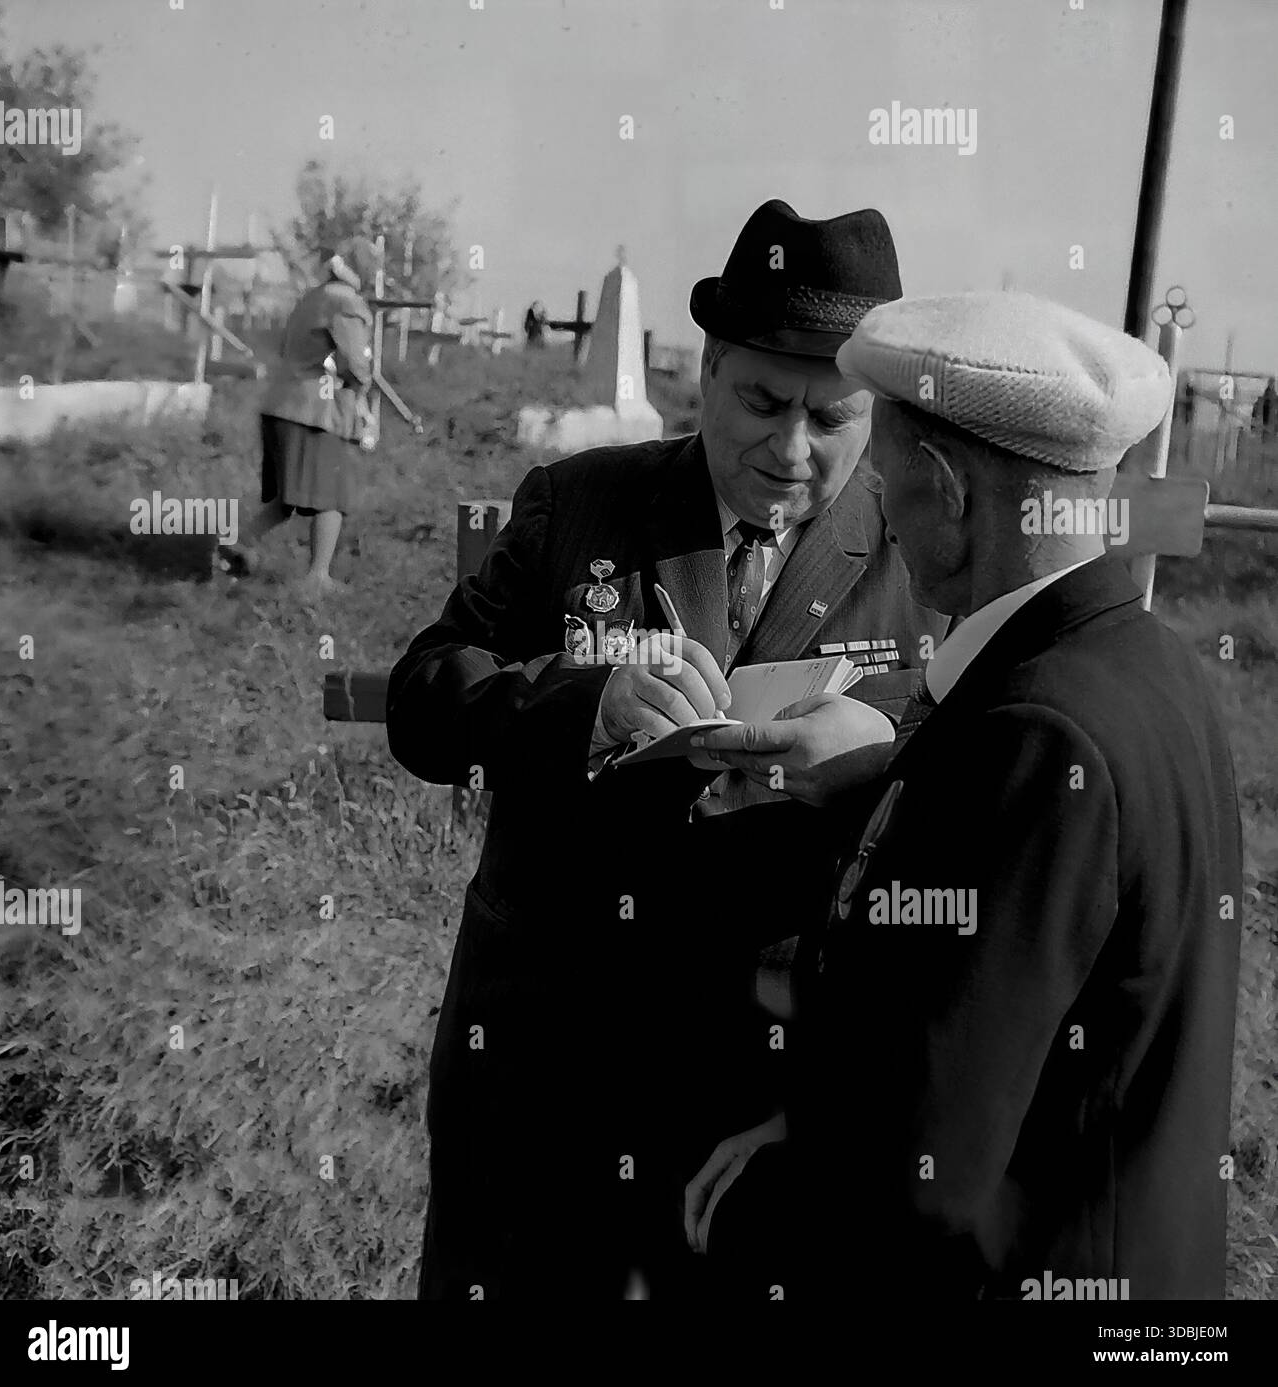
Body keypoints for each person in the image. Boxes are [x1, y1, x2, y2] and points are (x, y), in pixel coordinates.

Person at [387, 199, 948, 1300]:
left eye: (829, 421)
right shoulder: (582, 503)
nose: (789, 451)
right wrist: (573, 705)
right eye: (759, 402)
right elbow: (423, 698)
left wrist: (881, 748)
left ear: (874, 416)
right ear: (707, 367)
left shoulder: (919, 555)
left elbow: (983, 771)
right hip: (543, 1066)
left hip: (753, 1092)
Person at [686, 291, 1244, 1301]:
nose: (884, 520)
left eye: (890, 483)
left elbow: (923, 1169)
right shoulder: (1143, 664)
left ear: (945, 489)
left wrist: (752, 1198)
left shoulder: (1031, 735)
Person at [224, 236, 378, 599]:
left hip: (281, 404)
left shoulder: (313, 297)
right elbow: (356, 362)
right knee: (331, 496)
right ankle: (317, 579)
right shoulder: (346, 304)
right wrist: (362, 390)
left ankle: (236, 543)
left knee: (286, 499)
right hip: (314, 411)